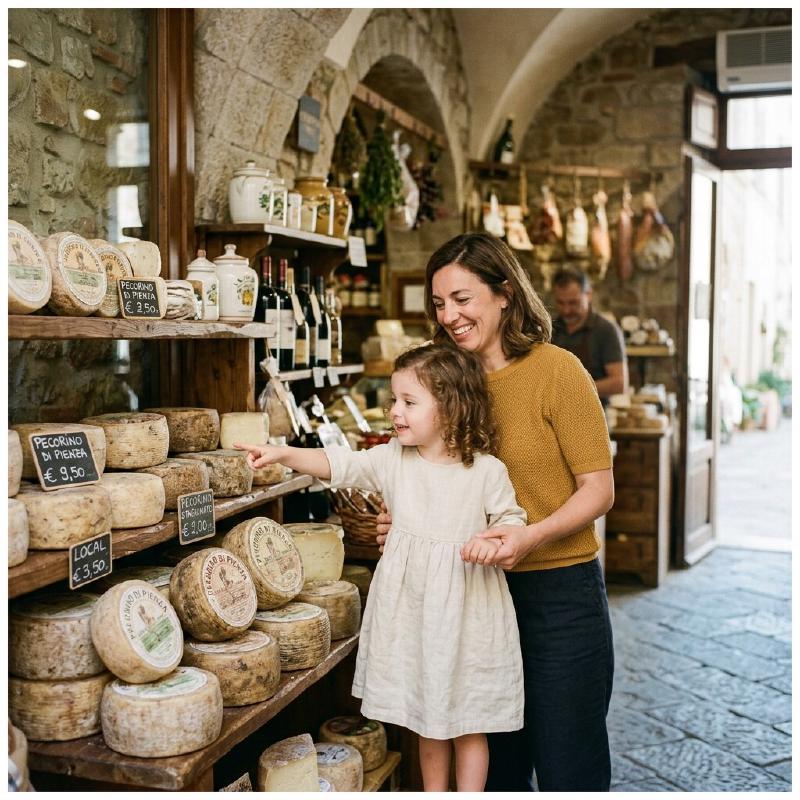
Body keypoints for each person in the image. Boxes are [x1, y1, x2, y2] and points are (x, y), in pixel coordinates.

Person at [377, 233, 615, 791]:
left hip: (560, 599)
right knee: (497, 771)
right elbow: (424, 473)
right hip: (471, 602)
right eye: (439, 304)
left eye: (463, 298)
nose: (450, 316)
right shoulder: (444, 381)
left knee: (568, 766)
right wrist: (408, 519)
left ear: (504, 293)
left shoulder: (559, 371)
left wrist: (530, 536)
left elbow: (598, 490)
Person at [235, 342, 527, 792]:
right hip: (415, 614)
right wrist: (284, 453)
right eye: (395, 400)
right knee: (427, 719)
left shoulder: (486, 471)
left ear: (452, 406)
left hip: (469, 614)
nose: (395, 412)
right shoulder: (393, 459)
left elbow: (511, 519)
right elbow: (339, 464)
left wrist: (495, 539)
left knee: (471, 720)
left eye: (409, 402)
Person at [550, 266, 628, 400]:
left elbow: (619, 383)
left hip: (594, 415)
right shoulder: (551, 328)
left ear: (589, 295)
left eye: (573, 303)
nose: (566, 310)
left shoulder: (605, 330)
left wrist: (574, 392)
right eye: (560, 303)